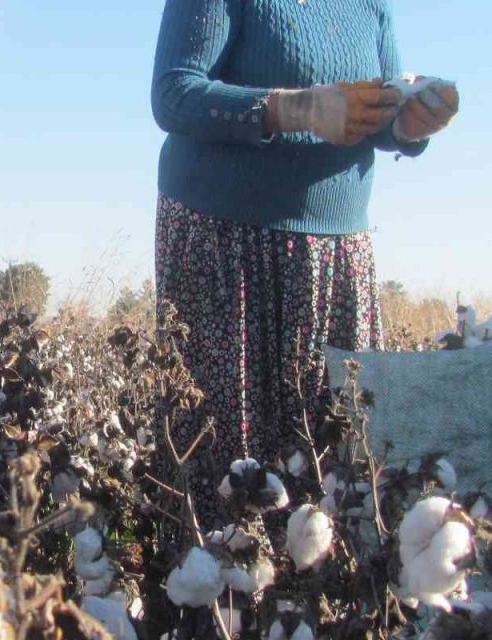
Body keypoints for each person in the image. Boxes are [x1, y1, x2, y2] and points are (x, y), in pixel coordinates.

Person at [150, 0, 458, 522]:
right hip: (223, 243)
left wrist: (409, 123)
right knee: (230, 458)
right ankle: (223, 599)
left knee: (339, 449)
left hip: (337, 253)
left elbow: (377, 114)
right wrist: (297, 109)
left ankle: (328, 598)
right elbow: (174, 95)